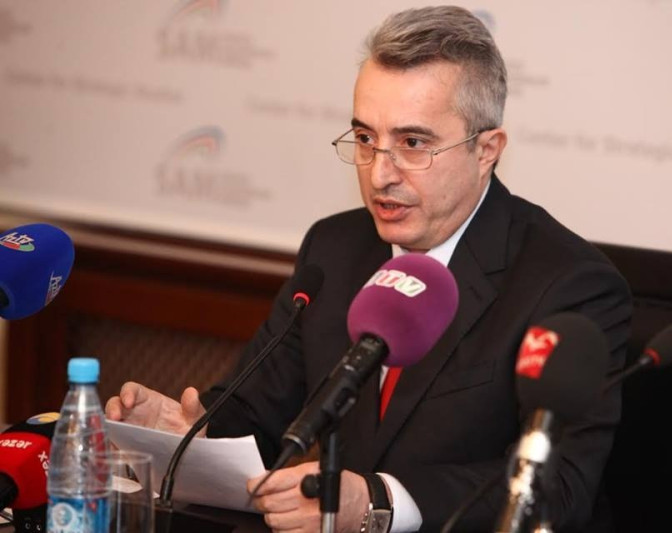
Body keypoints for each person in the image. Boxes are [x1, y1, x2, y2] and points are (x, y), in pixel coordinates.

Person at [106, 6, 632, 532]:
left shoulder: (568, 285)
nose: (380, 174)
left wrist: (378, 502)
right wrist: (191, 439)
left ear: (486, 150)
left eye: (413, 144)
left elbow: (559, 485)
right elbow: (255, 416)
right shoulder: (335, 250)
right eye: (364, 139)